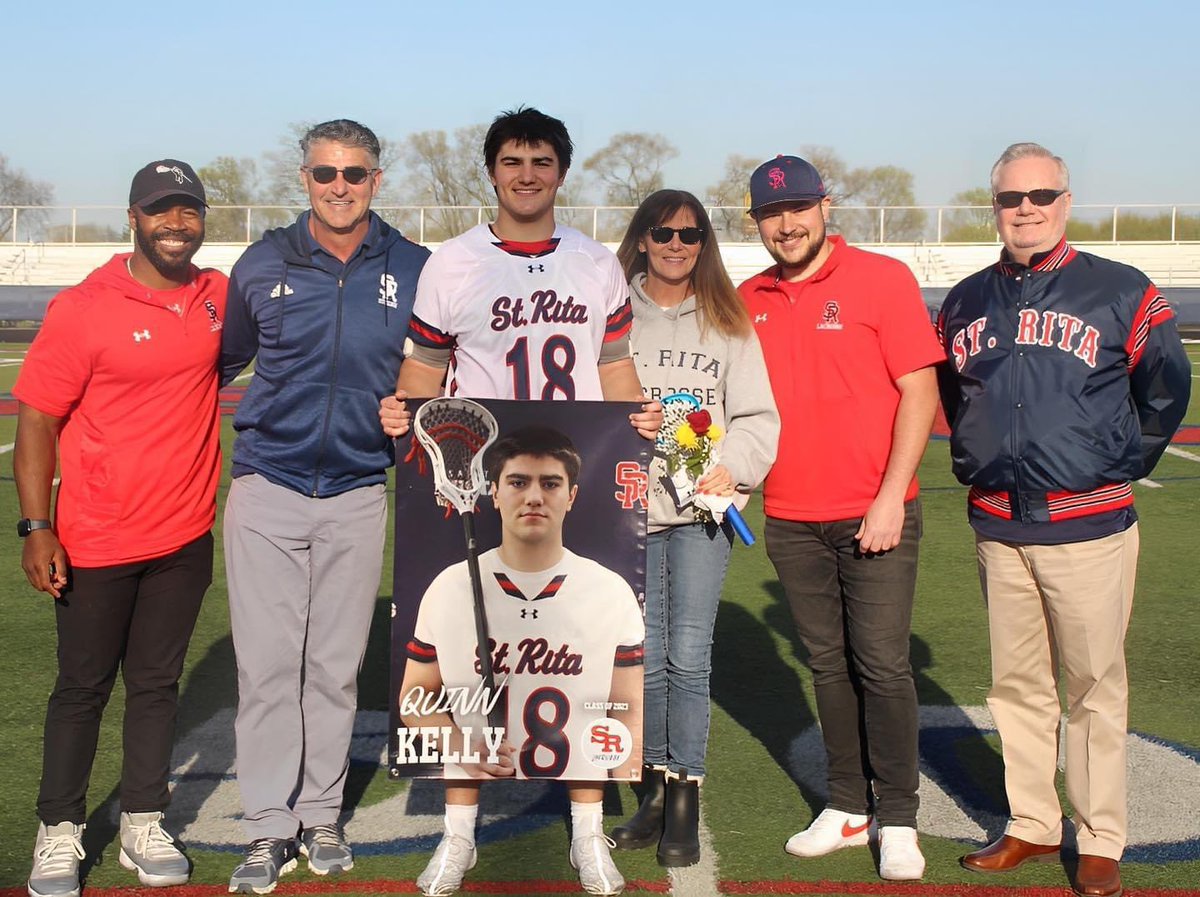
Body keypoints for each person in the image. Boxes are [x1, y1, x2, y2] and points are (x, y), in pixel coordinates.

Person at [379, 106, 660, 897]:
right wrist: (404, 415)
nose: (527, 173)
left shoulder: (597, 263)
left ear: (561, 172)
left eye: (541, 160)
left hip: (574, 469)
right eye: (512, 160)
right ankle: (459, 831)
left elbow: (612, 368)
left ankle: (586, 832)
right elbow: (426, 372)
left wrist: (638, 421)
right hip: (479, 480)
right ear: (492, 171)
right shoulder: (453, 264)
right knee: (470, 651)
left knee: (579, 649)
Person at [938, 143, 1191, 897]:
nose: (1026, 208)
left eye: (1040, 195)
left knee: (1093, 685)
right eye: (1012, 198)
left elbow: (1165, 392)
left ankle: (1101, 833)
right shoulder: (966, 300)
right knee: (1016, 687)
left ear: (1065, 201)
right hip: (998, 525)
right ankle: (1033, 823)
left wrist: (1114, 462)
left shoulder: (1120, 290)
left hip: (1088, 524)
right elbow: (960, 401)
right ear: (995, 208)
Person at [219, 119, 429, 894]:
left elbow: (441, 367)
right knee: (269, 666)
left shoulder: (413, 267)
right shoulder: (262, 260)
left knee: (334, 669)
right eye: (323, 173)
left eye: (354, 173)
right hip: (267, 485)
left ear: (378, 179)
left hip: (356, 491)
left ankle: (323, 814)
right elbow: (217, 359)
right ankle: (270, 828)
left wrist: (414, 402)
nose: (338, 186)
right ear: (302, 178)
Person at [15, 160, 225, 897]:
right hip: (95, 538)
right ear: (133, 216)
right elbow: (38, 417)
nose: (178, 223)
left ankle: (142, 818)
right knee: (81, 688)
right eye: (162, 210)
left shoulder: (215, 295)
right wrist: (37, 526)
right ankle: (59, 830)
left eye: (190, 210)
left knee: (157, 685)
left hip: (184, 536)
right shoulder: (84, 305)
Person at [738, 155, 943, 882]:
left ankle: (900, 818)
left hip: (875, 512)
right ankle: (849, 806)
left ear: (825, 207)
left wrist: (891, 495)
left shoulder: (882, 278)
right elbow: (727, 411)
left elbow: (918, 391)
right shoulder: (746, 297)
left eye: (797, 208)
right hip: (790, 515)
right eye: (770, 213)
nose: (786, 224)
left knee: (882, 666)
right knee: (827, 664)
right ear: (754, 221)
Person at [608, 190, 778, 867]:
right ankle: (652, 788)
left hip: (702, 514)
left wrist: (731, 469)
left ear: (704, 244)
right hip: (631, 513)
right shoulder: (612, 317)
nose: (677, 244)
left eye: (690, 233)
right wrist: (623, 424)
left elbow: (758, 417)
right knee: (643, 658)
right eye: (663, 232)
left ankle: (685, 792)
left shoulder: (728, 321)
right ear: (643, 238)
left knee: (688, 653)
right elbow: (585, 408)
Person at [399, 425, 644, 783]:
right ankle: (460, 831)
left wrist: (618, 780)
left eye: (550, 484)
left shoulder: (610, 590)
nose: (533, 497)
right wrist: (458, 744)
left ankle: (587, 826)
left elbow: (627, 710)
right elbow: (413, 699)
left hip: (581, 781)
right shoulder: (451, 586)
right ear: (494, 493)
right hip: (473, 788)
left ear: (571, 495)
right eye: (517, 482)